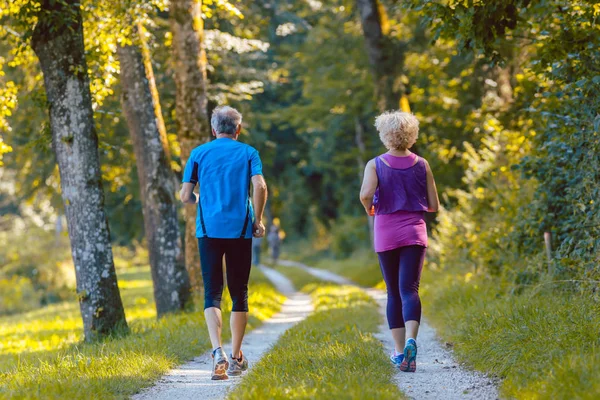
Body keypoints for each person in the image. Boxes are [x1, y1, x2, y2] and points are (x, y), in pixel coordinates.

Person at [180, 106, 268, 380]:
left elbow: (185, 195)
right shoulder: (248, 152)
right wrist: (258, 220)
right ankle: (236, 356)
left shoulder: (198, 154)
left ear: (213, 129)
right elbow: (260, 185)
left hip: (208, 231)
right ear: (238, 129)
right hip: (240, 230)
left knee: (212, 292)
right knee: (239, 291)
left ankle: (217, 350)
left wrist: (198, 201)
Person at [359, 111, 439, 373]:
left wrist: (370, 207)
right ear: (411, 135)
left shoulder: (376, 163)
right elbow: (433, 205)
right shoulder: (422, 164)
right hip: (415, 232)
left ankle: (398, 351)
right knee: (410, 290)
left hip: (386, 231)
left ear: (385, 135)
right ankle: (413, 341)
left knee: (393, 292)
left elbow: (365, 194)